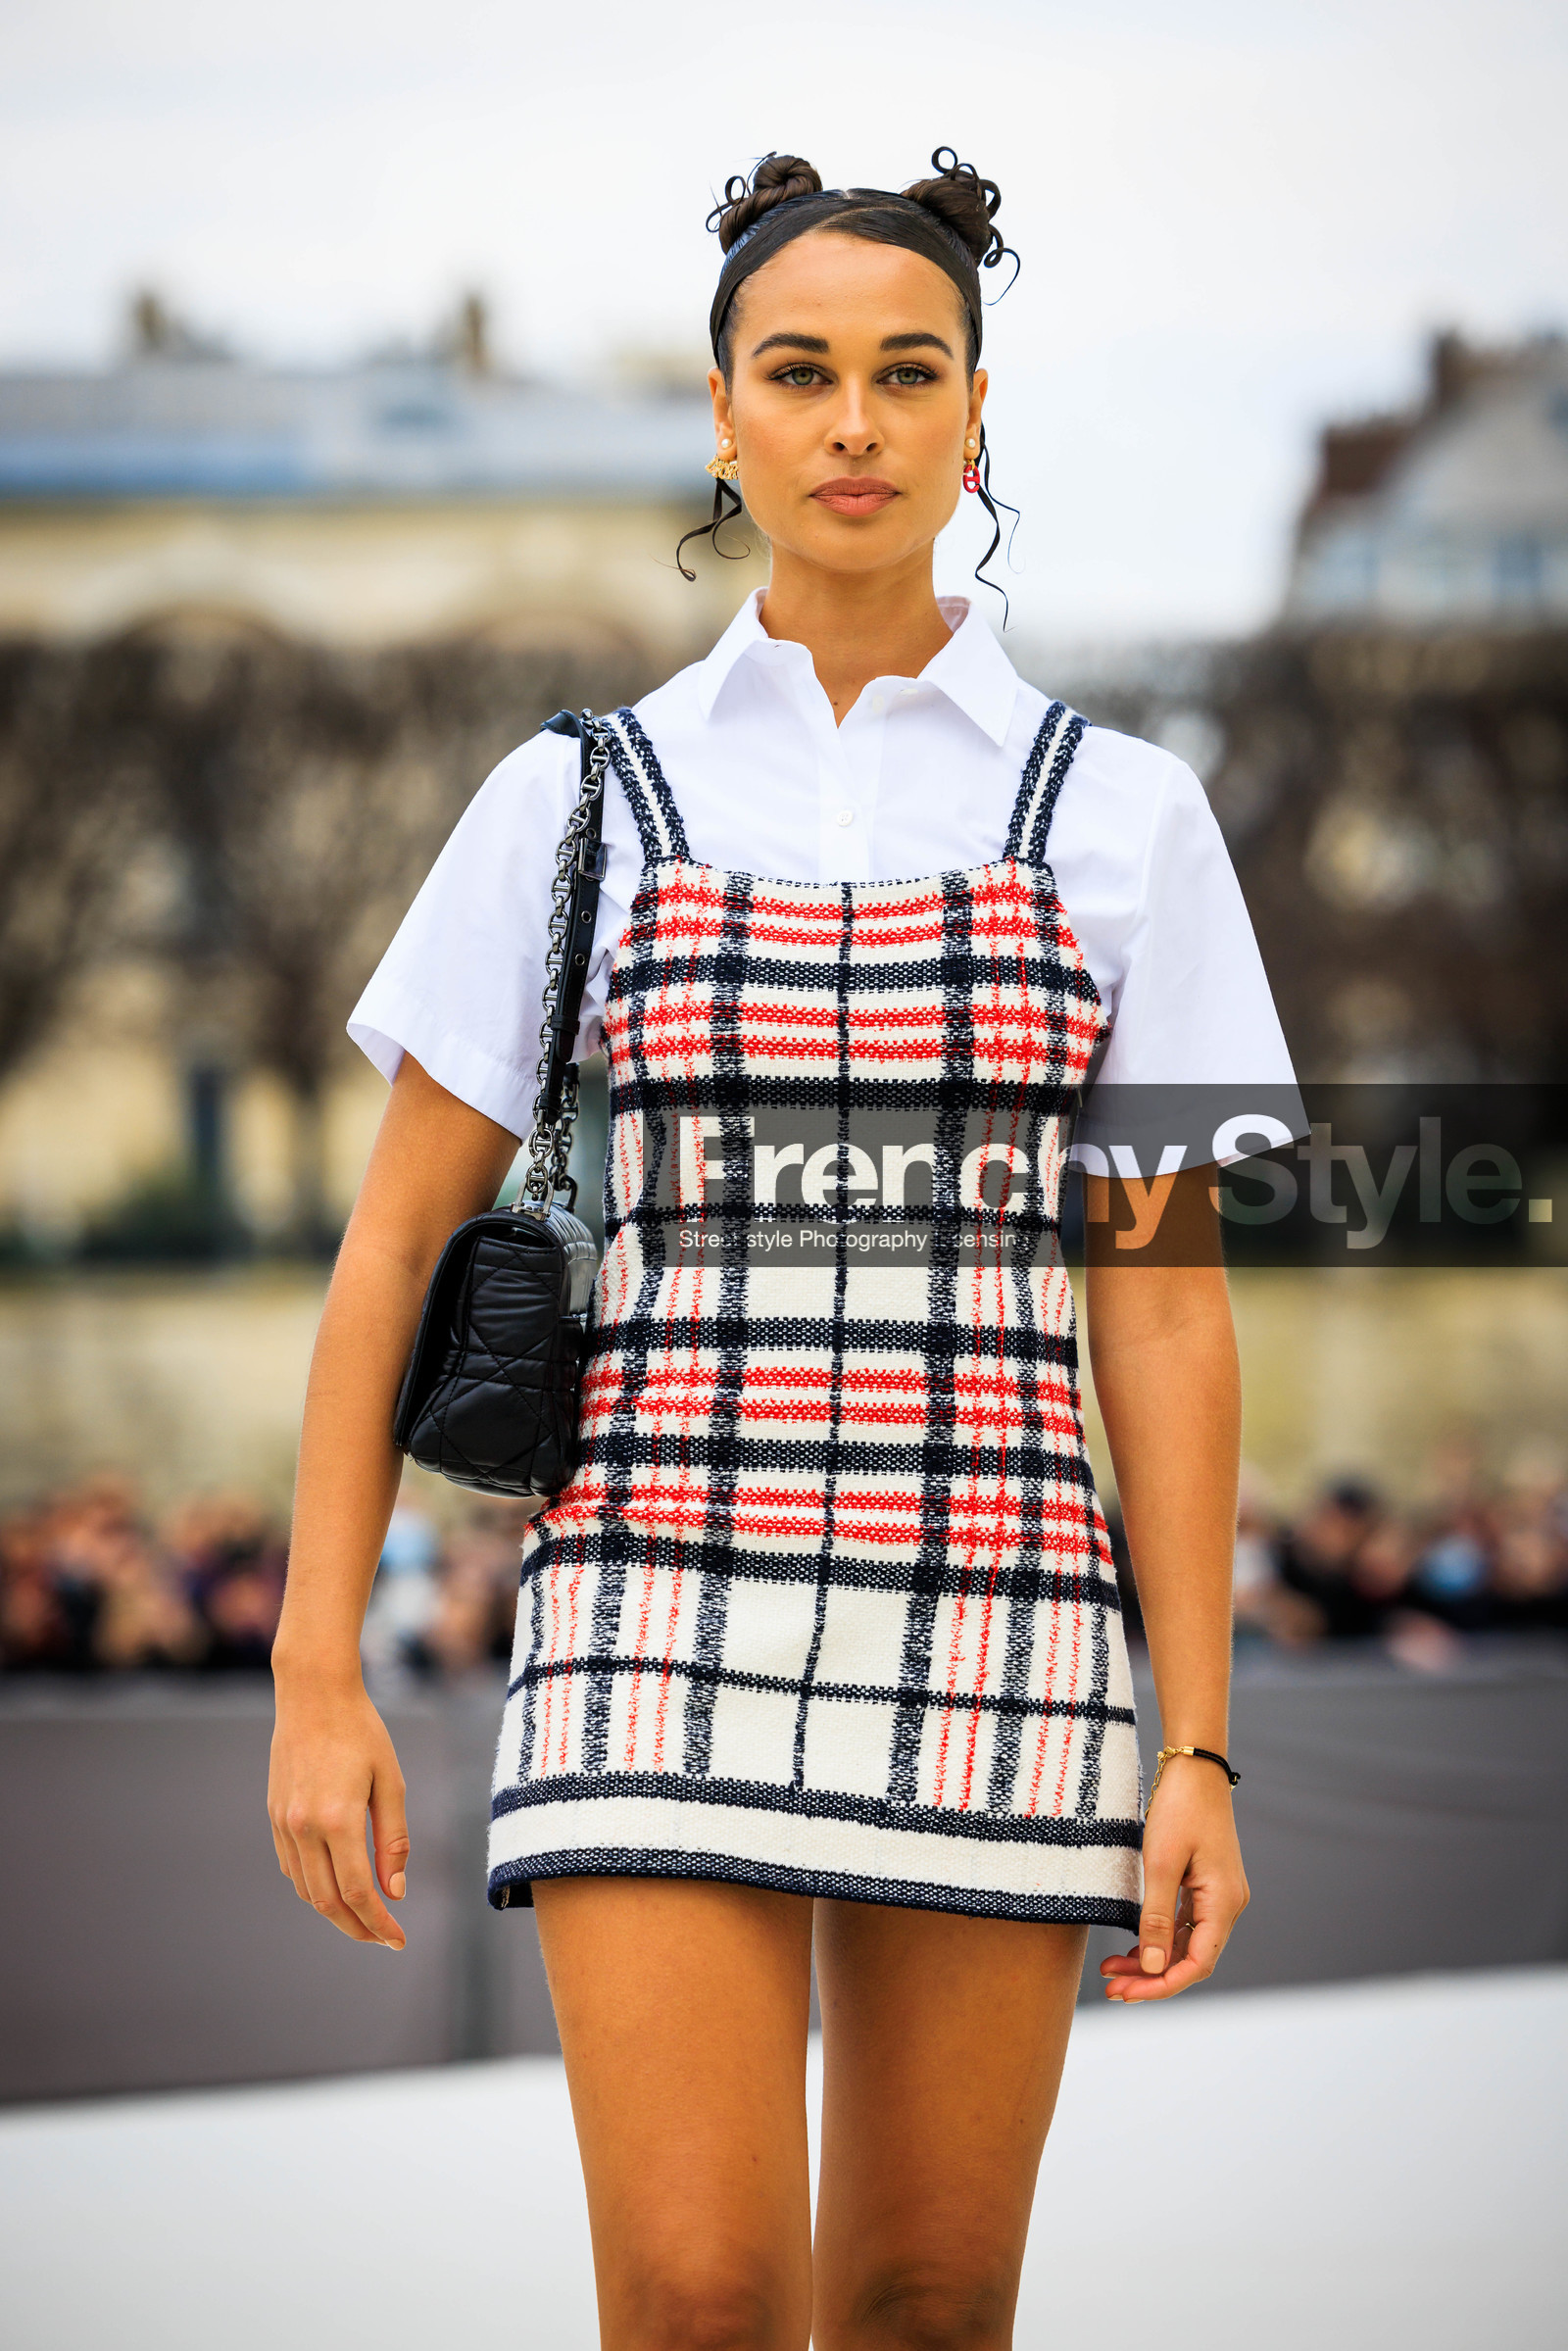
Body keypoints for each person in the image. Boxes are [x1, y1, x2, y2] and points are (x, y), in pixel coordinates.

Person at [269, 151, 1298, 2350]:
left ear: (973, 415)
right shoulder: (571, 800)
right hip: (653, 1591)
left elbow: (1163, 1299)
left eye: (902, 375)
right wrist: (310, 1669)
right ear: (721, 416)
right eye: (799, 374)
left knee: (928, 2304)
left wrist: (1193, 1740)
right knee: (696, 2295)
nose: (852, 424)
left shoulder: (1124, 817)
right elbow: (387, 1250)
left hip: (1006, 1608)